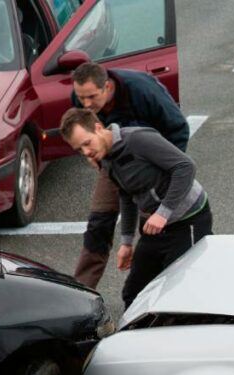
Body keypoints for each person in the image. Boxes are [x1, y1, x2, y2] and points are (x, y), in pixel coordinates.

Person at [59, 108, 212, 307]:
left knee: (179, 292)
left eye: (87, 143)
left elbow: (185, 167)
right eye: (79, 149)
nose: (86, 152)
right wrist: (127, 242)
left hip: (188, 220)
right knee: (134, 293)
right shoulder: (105, 158)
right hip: (155, 227)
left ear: (98, 128)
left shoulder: (137, 139)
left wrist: (163, 213)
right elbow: (126, 194)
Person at [69, 62, 190, 289]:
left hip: (151, 162)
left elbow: (179, 129)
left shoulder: (143, 91)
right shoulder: (82, 98)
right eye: (80, 97)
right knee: (98, 225)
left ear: (106, 87)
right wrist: (95, 158)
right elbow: (81, 130)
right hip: (112, 163)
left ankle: (166, 290)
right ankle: (82, 292)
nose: (85, 104)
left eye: (91, 97)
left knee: (156, 227)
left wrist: (163, 172)